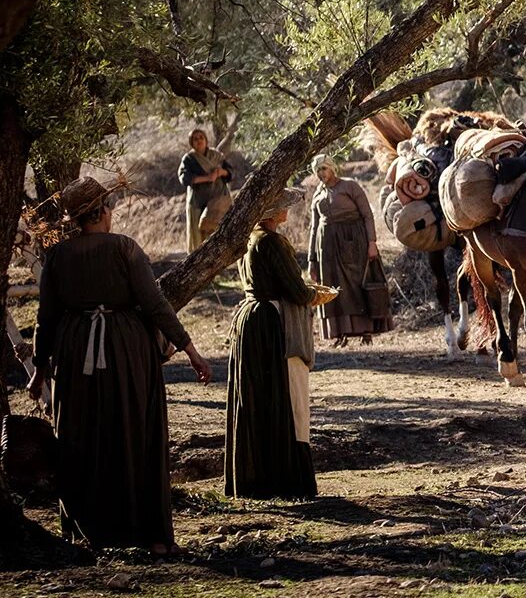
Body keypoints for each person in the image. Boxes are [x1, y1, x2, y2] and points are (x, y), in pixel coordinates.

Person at [27, 177, 212, 553]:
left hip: (75, 353)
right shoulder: (125, 248)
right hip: (127, 352)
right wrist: (190, 349)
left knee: (82, 436)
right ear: (104, 211)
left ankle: (88, 531)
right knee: (134, 432)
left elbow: (45, 320)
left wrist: (40, 370)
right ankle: (149, 536)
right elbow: (156, 304)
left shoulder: (58, 256)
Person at [226, 188, 326, 501]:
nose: (288, 210)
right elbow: (295, 291)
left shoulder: (248, 239)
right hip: (270, 324)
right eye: (284, 206)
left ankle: (256, 480)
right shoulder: (271, 241)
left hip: (249, 320)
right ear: (272, 212)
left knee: (257, 398)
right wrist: (316, 296)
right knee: (282, 397)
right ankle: (285, 481)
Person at [309, 156, 389, 347]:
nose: (321, 174)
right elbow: (314, 227)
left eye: (324, 169)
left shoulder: (350, 186)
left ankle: (365, 331)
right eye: (318, 171)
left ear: (332, 168)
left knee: (356, 284)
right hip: (326, 247)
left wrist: (372, 243)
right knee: (333, 287)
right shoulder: (317, 194)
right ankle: (340, 333)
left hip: (354, 242)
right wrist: (312, 259)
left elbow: (367, 215)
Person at [177, 128, 233, 251]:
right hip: (197, 203)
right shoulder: (189, 159)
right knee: (199, 240)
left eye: (201, 137)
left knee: (216, 237)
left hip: (216, 203)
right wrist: (207, 178)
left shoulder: (216, 156)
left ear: (206, 140)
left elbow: (229, 173)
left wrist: (220, 172)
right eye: (195, 139)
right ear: (191, 142)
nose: (199, 141)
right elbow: (184, 179)